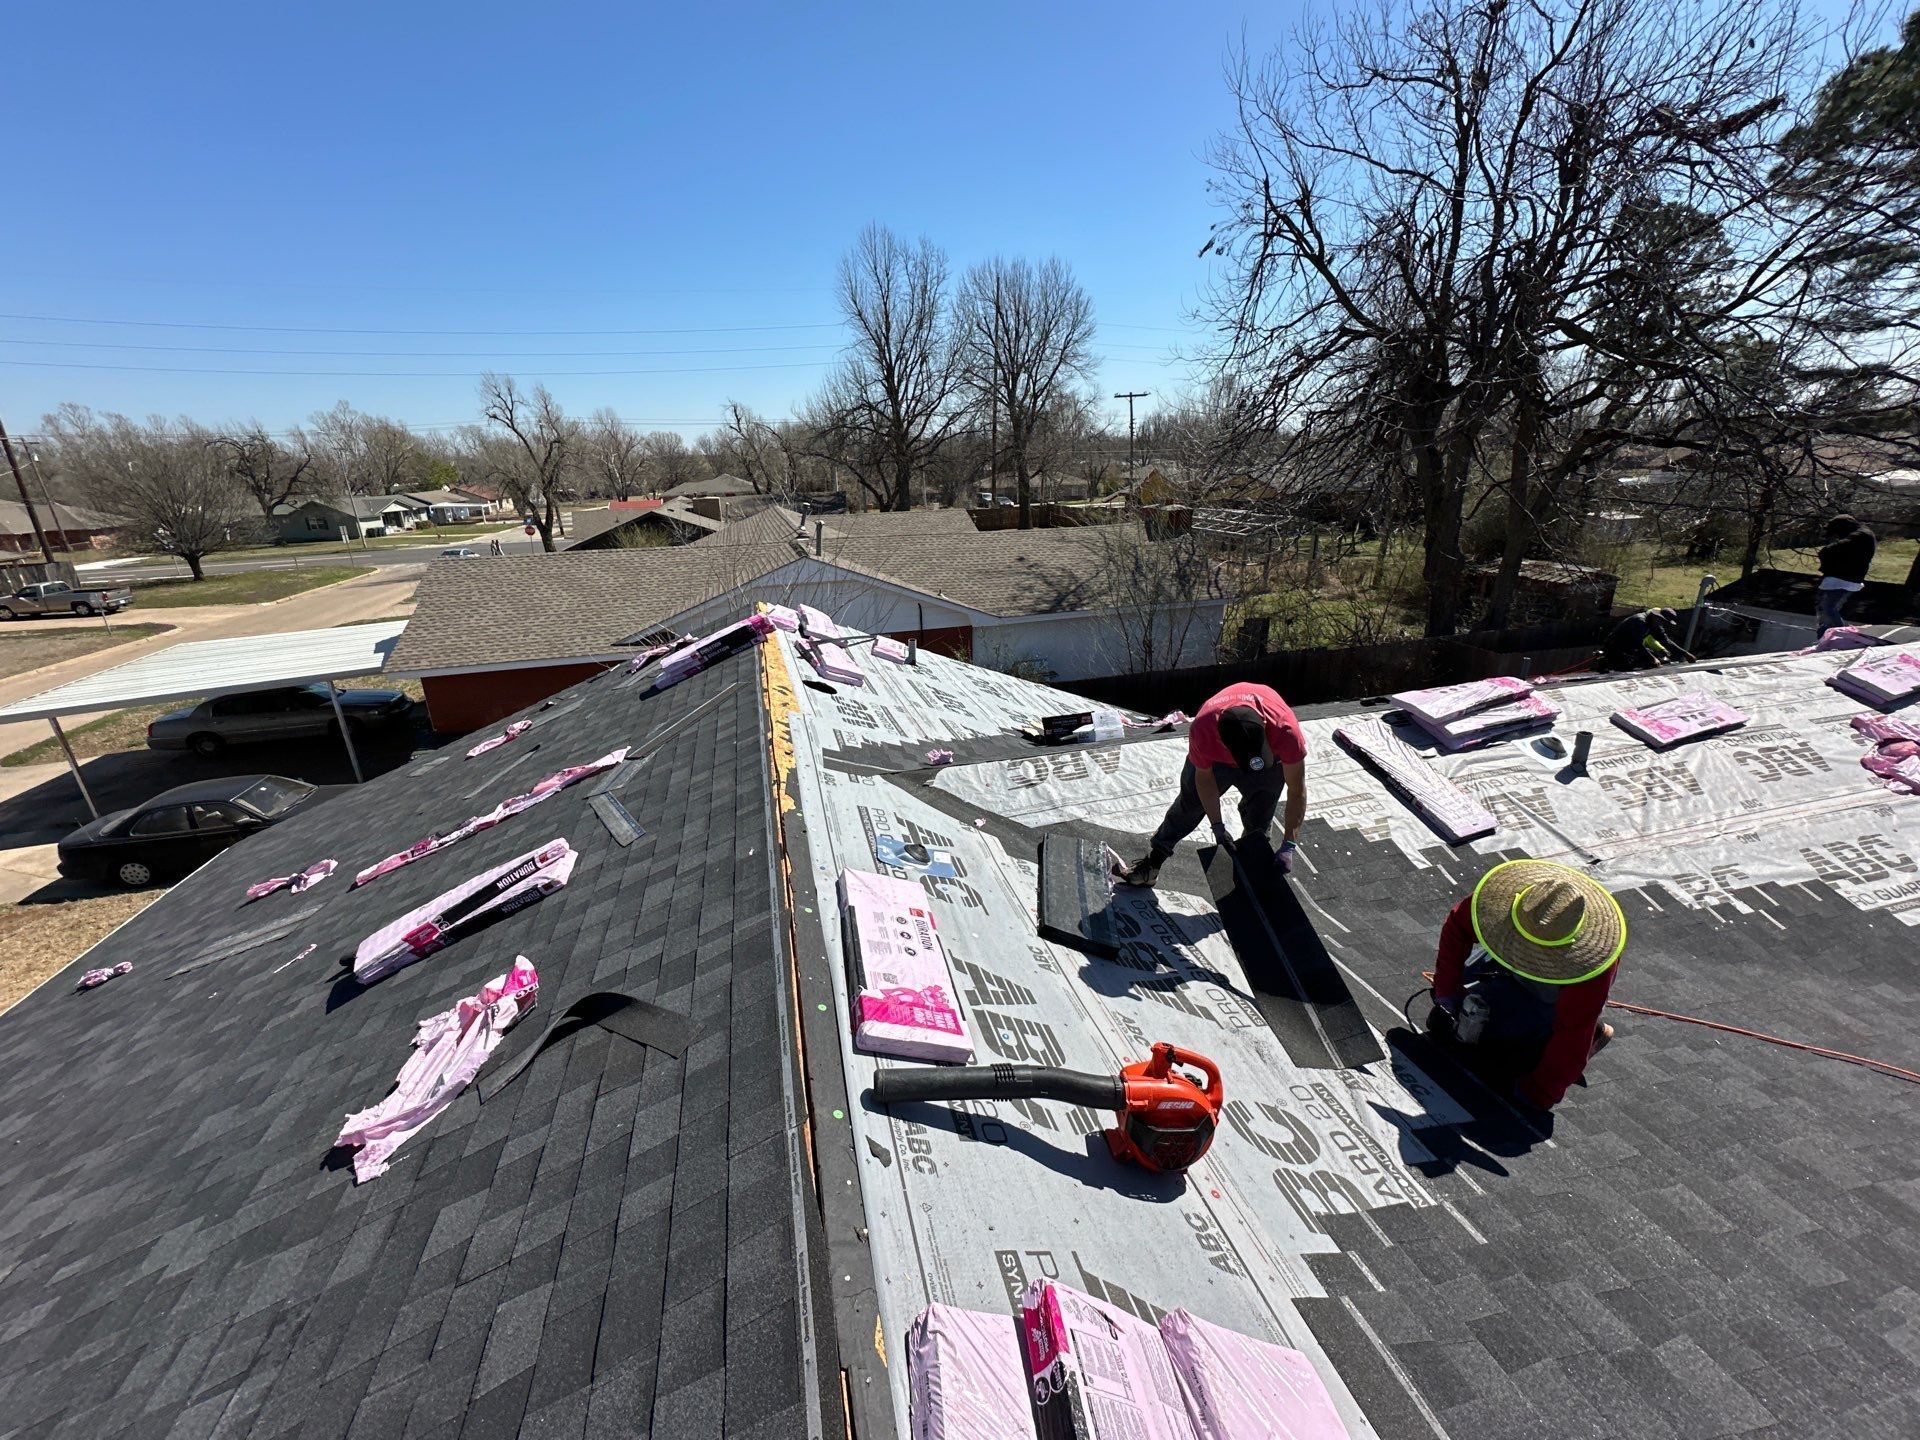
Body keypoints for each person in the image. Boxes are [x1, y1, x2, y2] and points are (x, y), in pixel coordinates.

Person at [1426, 859, 1627, 1111]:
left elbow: (1573, 1031)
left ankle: (1589, 1034)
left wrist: (1538, 1092)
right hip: (1499, 963)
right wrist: (1448, 990)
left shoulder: (1591, 967)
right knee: (1449, 1024)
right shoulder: (1522, 904)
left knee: (1502, 1055)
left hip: (1546, 995)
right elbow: (1457, 926)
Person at [1116, 682, 1307, 887]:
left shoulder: (1285, 730)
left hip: (1270, 765)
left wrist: (1289, 844)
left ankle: (1252, 873)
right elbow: (1204, 782)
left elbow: (1297, 791)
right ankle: (1153, 863)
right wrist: (1217, 826)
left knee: (1260, 816)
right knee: (1189, 805)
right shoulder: (1204, 730)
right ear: (1222, 742)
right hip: (1217, 763)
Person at [1815, 513, 1876, 636]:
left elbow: (1830, 551)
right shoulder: (1861, 534)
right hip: (1841, 578)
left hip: (1844, 579)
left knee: (1829, 608)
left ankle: (1841, 634)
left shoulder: (1861, 536)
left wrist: (1826, 552)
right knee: (1822, 607)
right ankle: (1825, 634)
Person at [1601, 607, 1689, 671]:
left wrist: (1685, 654)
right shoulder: (1640, 621)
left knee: (1660, 660)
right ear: (1656, 616)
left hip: (1631, 648)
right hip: (1615, 647)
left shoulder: (1656, 624)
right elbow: (1637, 643)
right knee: (1632, 665)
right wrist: (1652, 658)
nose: (1662, 624)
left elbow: (1666, 640)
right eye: (1662, 621)